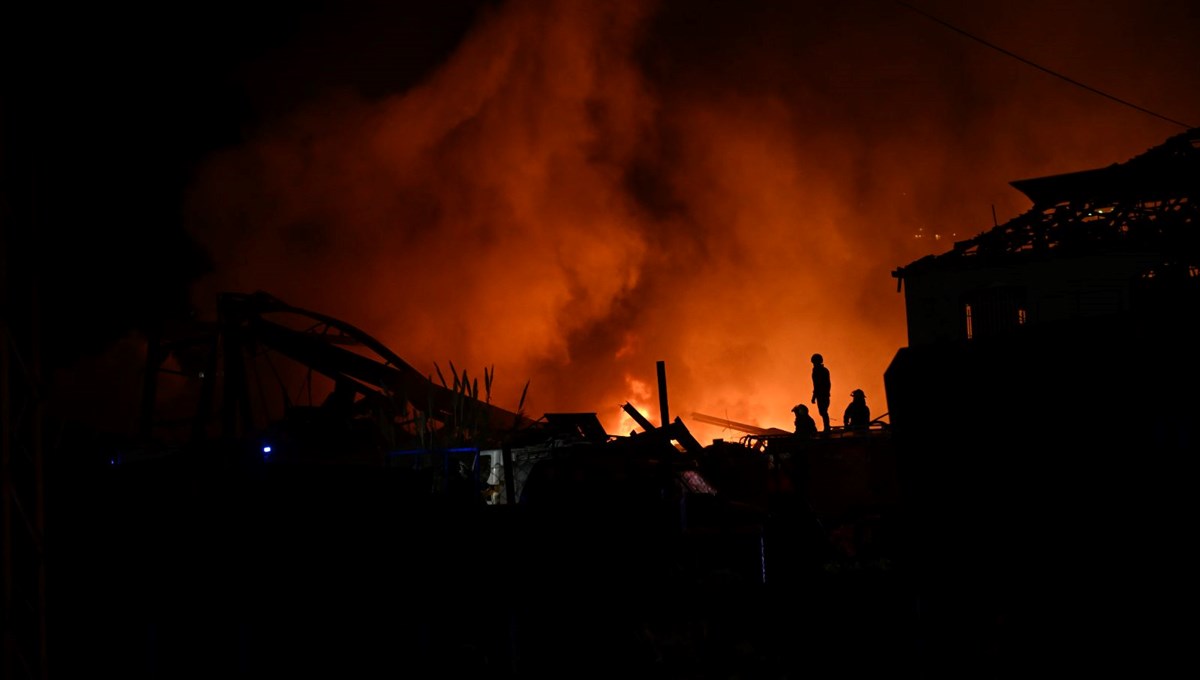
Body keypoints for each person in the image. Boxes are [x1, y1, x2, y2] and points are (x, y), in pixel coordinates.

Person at [810, 353, 831, 432]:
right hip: (822, 394)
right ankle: (827, 427)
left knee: (823, 411)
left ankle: (827, 428)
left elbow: (817, 385)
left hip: (822, 395)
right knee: (823, 411)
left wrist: (814, 397)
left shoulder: (819, 371)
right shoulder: (821, 371)